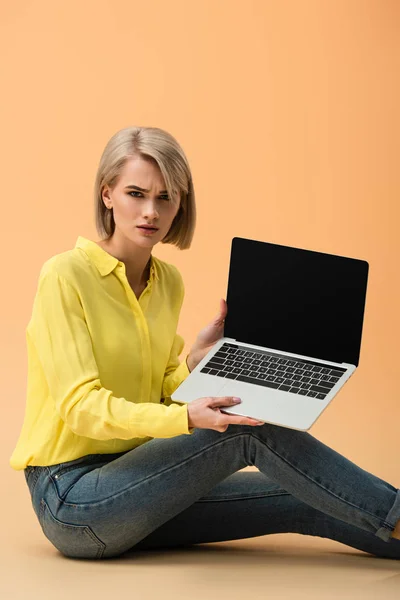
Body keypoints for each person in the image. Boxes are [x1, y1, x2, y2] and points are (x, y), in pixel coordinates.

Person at [10, 126, 400, 561]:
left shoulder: (167, 283)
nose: (150, 212)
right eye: (135, 194)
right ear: (107, 195)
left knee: (310, 494)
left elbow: (158, 388)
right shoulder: (66, 276)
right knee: (248, 431)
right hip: (73, 500)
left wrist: (196, 365)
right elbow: (80, 406)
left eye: (165, 197)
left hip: (143, 479)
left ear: (180, 204)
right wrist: (187, 421)